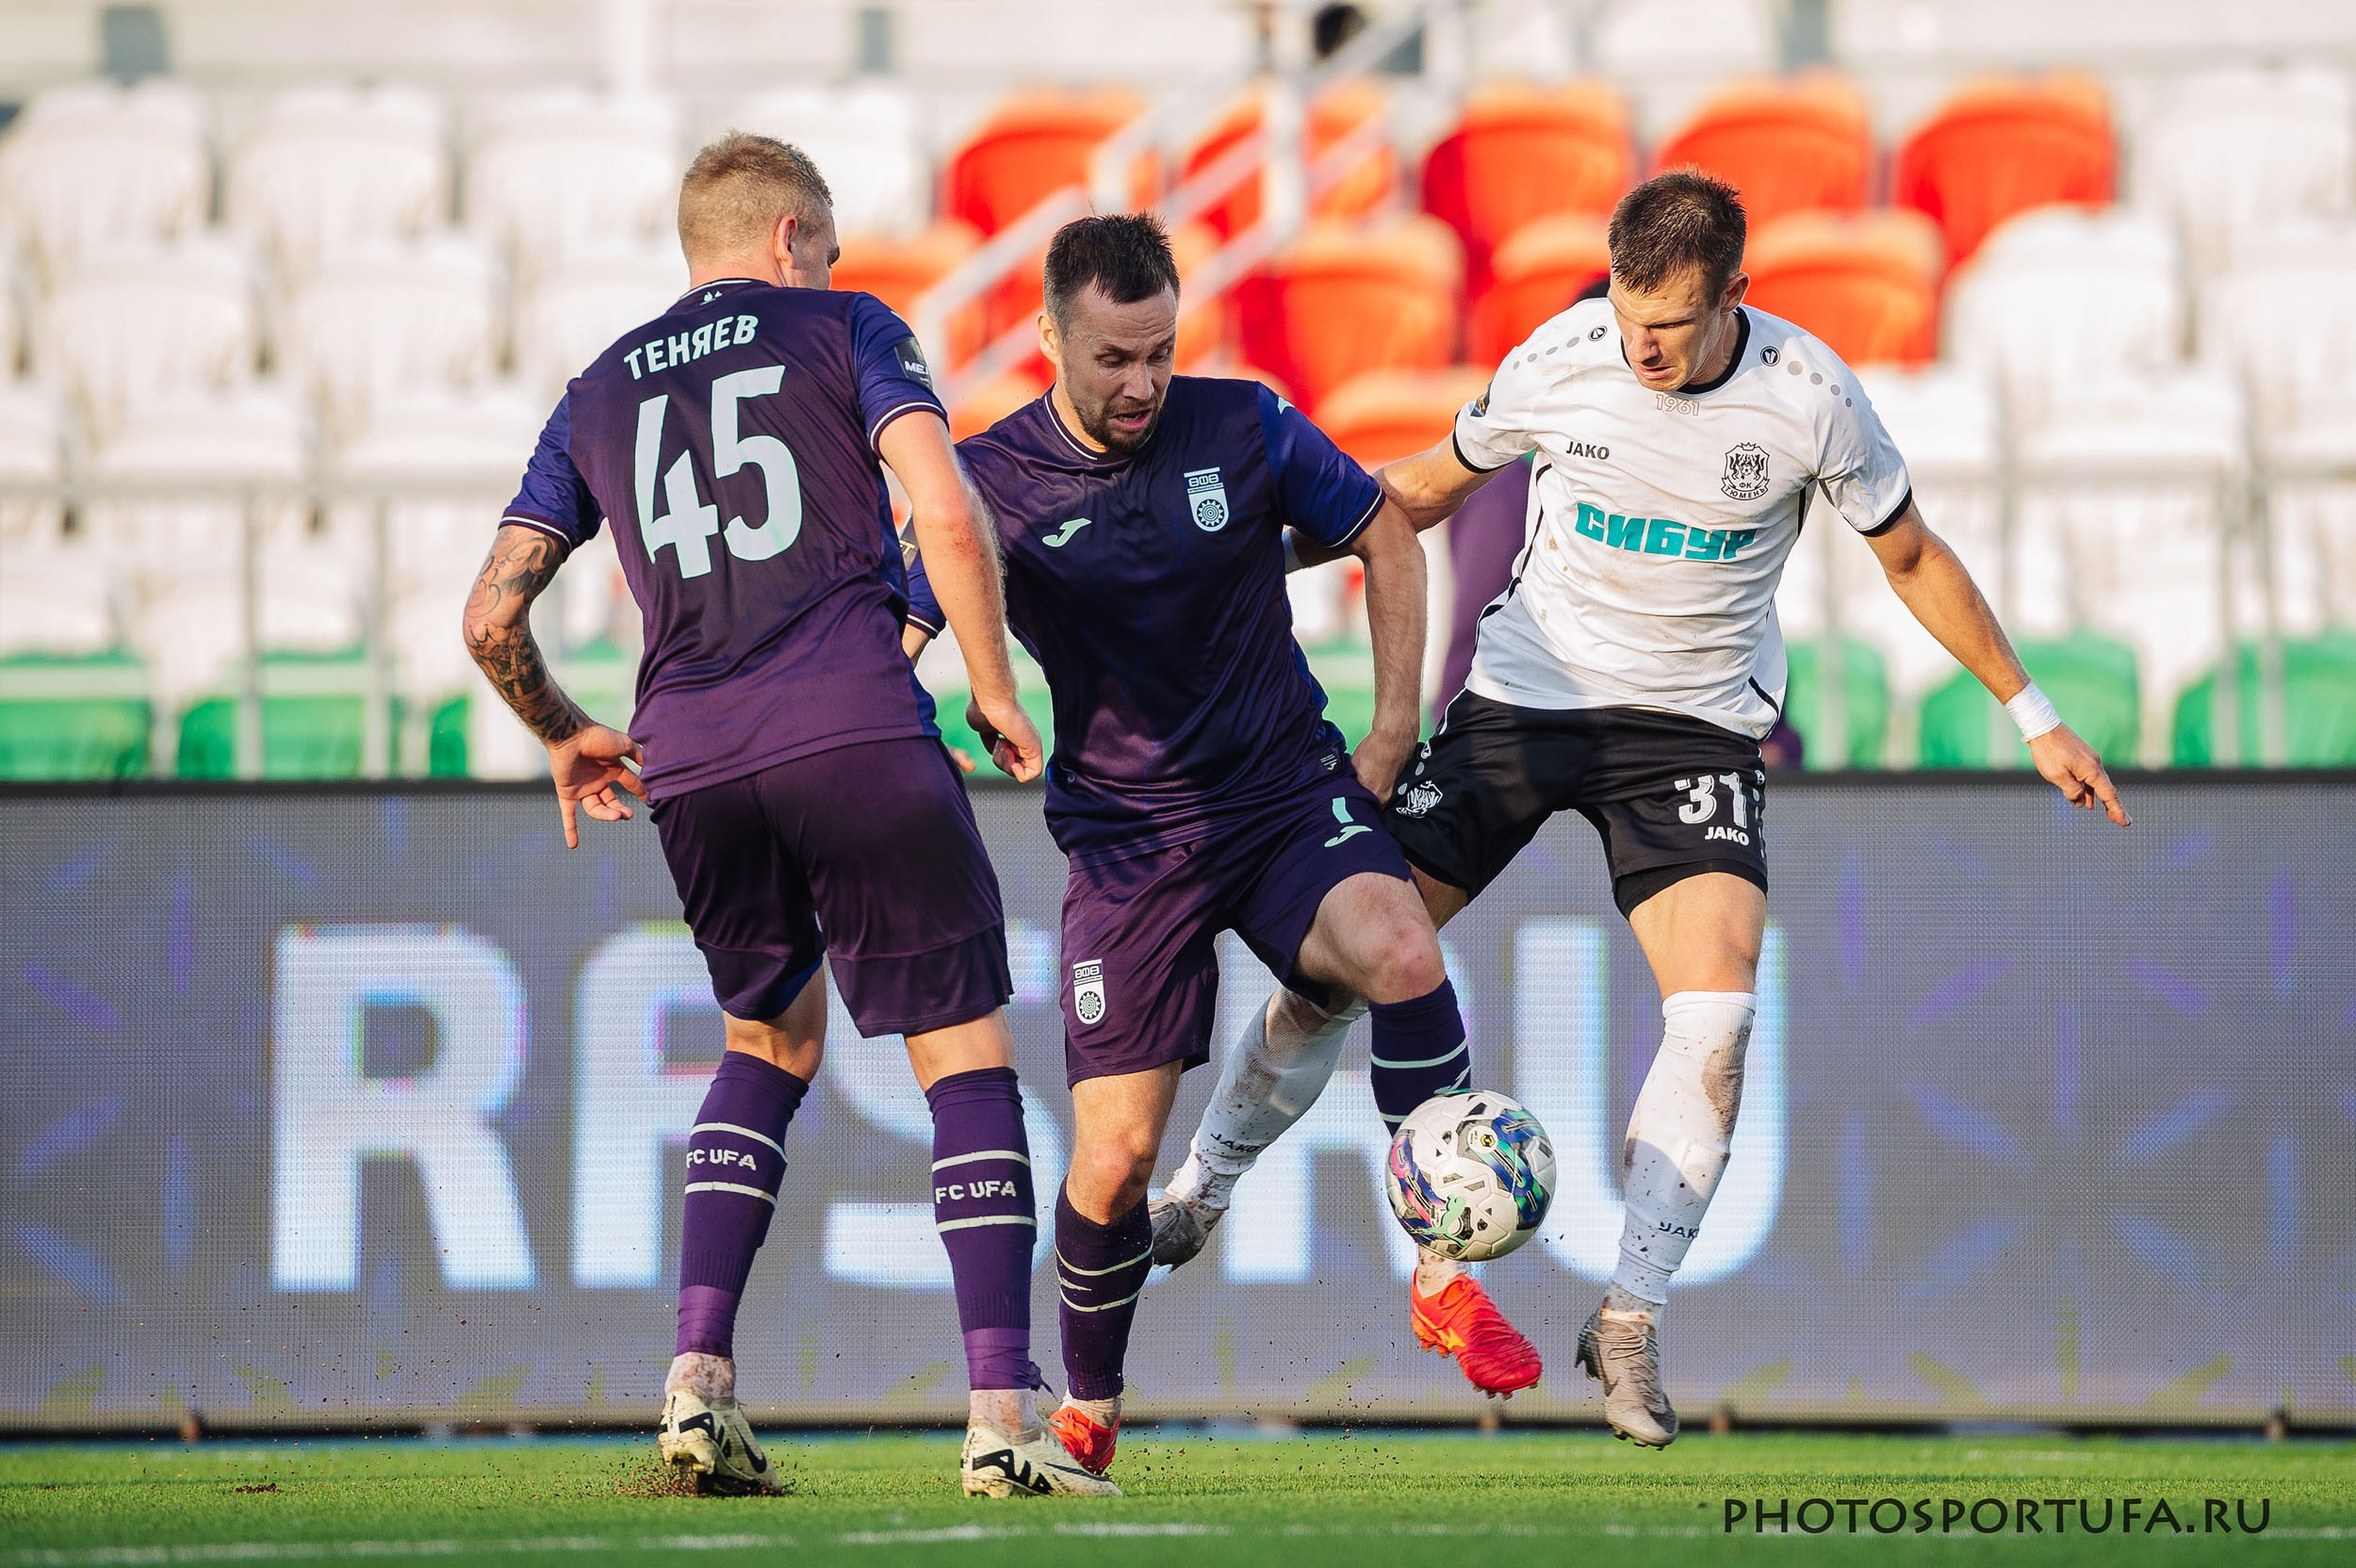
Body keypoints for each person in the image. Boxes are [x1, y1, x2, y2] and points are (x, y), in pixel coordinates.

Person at [1153, 169, 2131, 1448]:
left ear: (1736, 295)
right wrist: (1256, 555)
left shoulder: (1809, 395)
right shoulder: (1565, 353)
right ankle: (1203, 1184)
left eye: (1668, 324)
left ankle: (1628, 1318)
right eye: (1625, 312)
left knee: (1718, 1015)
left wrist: (2032, 712)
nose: (1640, 344)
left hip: (1690, 734)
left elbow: (1910, 554)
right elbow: (1428, 485)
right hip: (1522, 700)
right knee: (1344, 960)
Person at [461, 132, 1113, 1499]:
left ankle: (697, 1388)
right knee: (960, 1049)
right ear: (786, 238)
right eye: (825, 242)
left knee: (767, 1037)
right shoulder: (847, 326)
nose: (834, 263)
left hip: (688, 754)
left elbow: (490, 613)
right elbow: (942, 501)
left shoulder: (593, 393)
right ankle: (1002, 1416)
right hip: (852, 722)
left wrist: (567, 732)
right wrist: (993, 686)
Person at [903, 213, 1540, 1479]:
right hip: (1128, 848)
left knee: (1401, 949)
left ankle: (1436, 1268)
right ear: (1048, 341)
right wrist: (923, 743)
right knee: (1118, 1154)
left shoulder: (1241, 421)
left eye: (1158, 352)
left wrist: (1392, 722)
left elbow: (1384, 530)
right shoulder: (989, 485)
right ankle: (1088, 1411)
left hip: (1280, 796)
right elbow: (891, 641)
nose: (1141, 383)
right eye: (1112, 360)